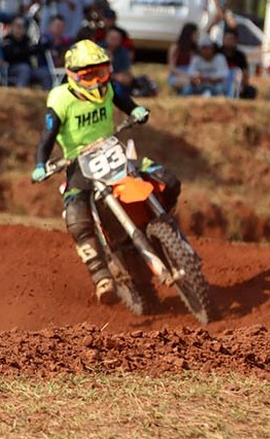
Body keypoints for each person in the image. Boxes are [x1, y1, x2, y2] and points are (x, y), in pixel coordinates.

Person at [30, 40, 181, 304]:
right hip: (78, 164)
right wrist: (41, 164)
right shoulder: (60, 98)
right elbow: (47, 136)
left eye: (101, 73)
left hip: (114, 150)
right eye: (89, 76)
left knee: (168, 180)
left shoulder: (110, 88)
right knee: (76, 216)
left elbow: (127, 103)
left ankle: (163, 226)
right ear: (73, 75)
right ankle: (101, 276)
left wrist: (136, 111)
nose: (96, 82)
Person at [3, 16, 48, 89]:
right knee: (24, 69)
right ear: (12, 27)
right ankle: (20, 94)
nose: (20, 29)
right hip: (11, 69)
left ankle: (46, 96)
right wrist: (26, 51)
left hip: (29, 68)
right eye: (18, 26)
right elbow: (11, 55)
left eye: (22, 26)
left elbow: (36, 50)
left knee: (44, 72)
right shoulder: (7, 40)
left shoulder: (27, 40)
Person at [219, 28, 256, 99]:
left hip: (235, 84)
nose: (229, 41)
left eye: (231, 39)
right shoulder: (218, 53)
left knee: (250, 91)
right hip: (220, 83)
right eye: (227, 39)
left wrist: (242, 85)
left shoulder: (240, 56)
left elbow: (245, 73)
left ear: (236, 41)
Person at [100, 26, 134, 96]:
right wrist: (115, 76)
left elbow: (125, 71)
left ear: (120, 40)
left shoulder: (123, 52)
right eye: (111, 37)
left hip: (116, 82)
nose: (113, 40)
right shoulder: (97, 49)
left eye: (116, 38)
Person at [167, 23, 198, 94]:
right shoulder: (175, 48)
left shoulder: (195, 49)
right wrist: (186, 75)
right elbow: (171, 68)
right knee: (189, 83)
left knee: (189, 87)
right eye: (195, 34)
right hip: (178, 74)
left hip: (192, 74)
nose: (197, 37)